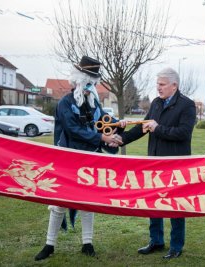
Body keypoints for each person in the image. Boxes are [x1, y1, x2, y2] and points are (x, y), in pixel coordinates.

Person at [34, 56, 125, 261]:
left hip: (90, 159)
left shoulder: (94, 104)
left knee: (87, 201)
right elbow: (73, 130)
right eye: (88, 83)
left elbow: (102, 122)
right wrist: (102, 136)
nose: (90, 87)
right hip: (67, 159)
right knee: (59, 202)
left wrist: (118, 127)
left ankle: (87, 242)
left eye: (93, 83)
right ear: (78, 80)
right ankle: (49, 245)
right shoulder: (65, 103)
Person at [111, 67, 196, 259]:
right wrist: (120, 138)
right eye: (157, 84)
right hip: (154, 163)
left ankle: (176, 246)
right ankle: (156, 241)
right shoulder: (156, 103)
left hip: (176, 164)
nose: (158, 87)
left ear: (174, 85)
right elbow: (143, 127)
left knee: (175, 205)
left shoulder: (187, 105)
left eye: (162, 84)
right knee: (154, 203)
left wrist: (158, 128)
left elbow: (183, 133)